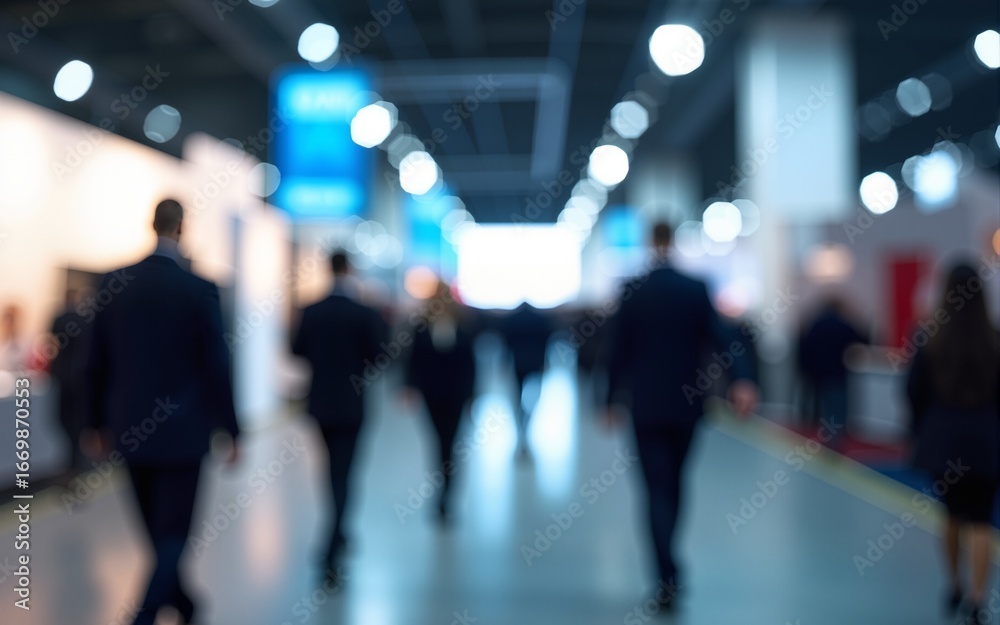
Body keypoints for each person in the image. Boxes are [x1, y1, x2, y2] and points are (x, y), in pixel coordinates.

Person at [84, 199, 240, 625]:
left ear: (151, 226)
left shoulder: (114, 283)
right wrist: (232, 428)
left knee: (155, 531)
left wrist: (93, 423)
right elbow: (217, 365)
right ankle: (148, 615)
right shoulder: (198, 288)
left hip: (129, 427)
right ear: (181, 229)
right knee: (172, 533)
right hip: (185, 432)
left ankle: (184, 605)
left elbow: (95, 360)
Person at [603, 222, 758, 610]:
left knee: (655, 488)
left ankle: (665, 576)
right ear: (674, 242)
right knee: (675, 482)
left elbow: (616, 351)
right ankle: (670, 565)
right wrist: (743, 380)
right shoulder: (695, 289)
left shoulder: (633, 291)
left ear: (647, 241)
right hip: (687, 405)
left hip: (645, 406)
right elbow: (725, 339)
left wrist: (607, 400)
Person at [906, 261, 998, 624]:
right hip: (986, 441)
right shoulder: (994, 340)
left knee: (951, 515)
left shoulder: (930, 338)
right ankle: (978, 598)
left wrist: (921, 430)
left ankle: (955, 584)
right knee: (981, 520)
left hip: (944, 442)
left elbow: (914, 392)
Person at [291, 250, 384, 579]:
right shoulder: (363, 312)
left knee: (330, 471)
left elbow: (296, 350)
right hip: (352, 404)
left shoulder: (311, 310)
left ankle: (338, 533)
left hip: (320, 404)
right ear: (351, 269)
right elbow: (380, 356)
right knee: (344, 474)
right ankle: (331, 548)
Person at [402, 279, 478, 521]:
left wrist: (471, 395)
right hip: (431, 394)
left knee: (450, 444)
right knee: (438, 442)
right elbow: (412, 359)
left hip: (455, 395)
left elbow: (471, 364)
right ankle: (441, 492)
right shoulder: (422, 326)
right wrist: (410, 387)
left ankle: (447, 496)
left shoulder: (464, 324)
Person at [797, 296, 868, 447]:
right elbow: (862, 340)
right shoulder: (843, 324)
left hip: (819, 374)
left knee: (826, 407)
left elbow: (805, 349)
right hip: (837, 373)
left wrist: (807, 371)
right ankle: (835, 442)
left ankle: (828, 439)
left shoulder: (815, 324)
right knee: (839, 408)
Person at [499, 302, 553, 460]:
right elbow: (546, 340)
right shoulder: (539, 318)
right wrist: (545, 361)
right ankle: (525, 426)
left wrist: (505, 361)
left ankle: (522, 427)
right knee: (532, 399)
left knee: (518, 398)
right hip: (535, 363)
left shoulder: (512, 318)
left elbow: (506, 342)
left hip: (518, 362)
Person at [49, 288, 92, 472]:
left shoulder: (61, 318)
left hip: (64, 376)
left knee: (65, 419)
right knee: (75, 421)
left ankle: (73, 461)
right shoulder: (84, 319)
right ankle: (75, 461)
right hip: (77, 377)